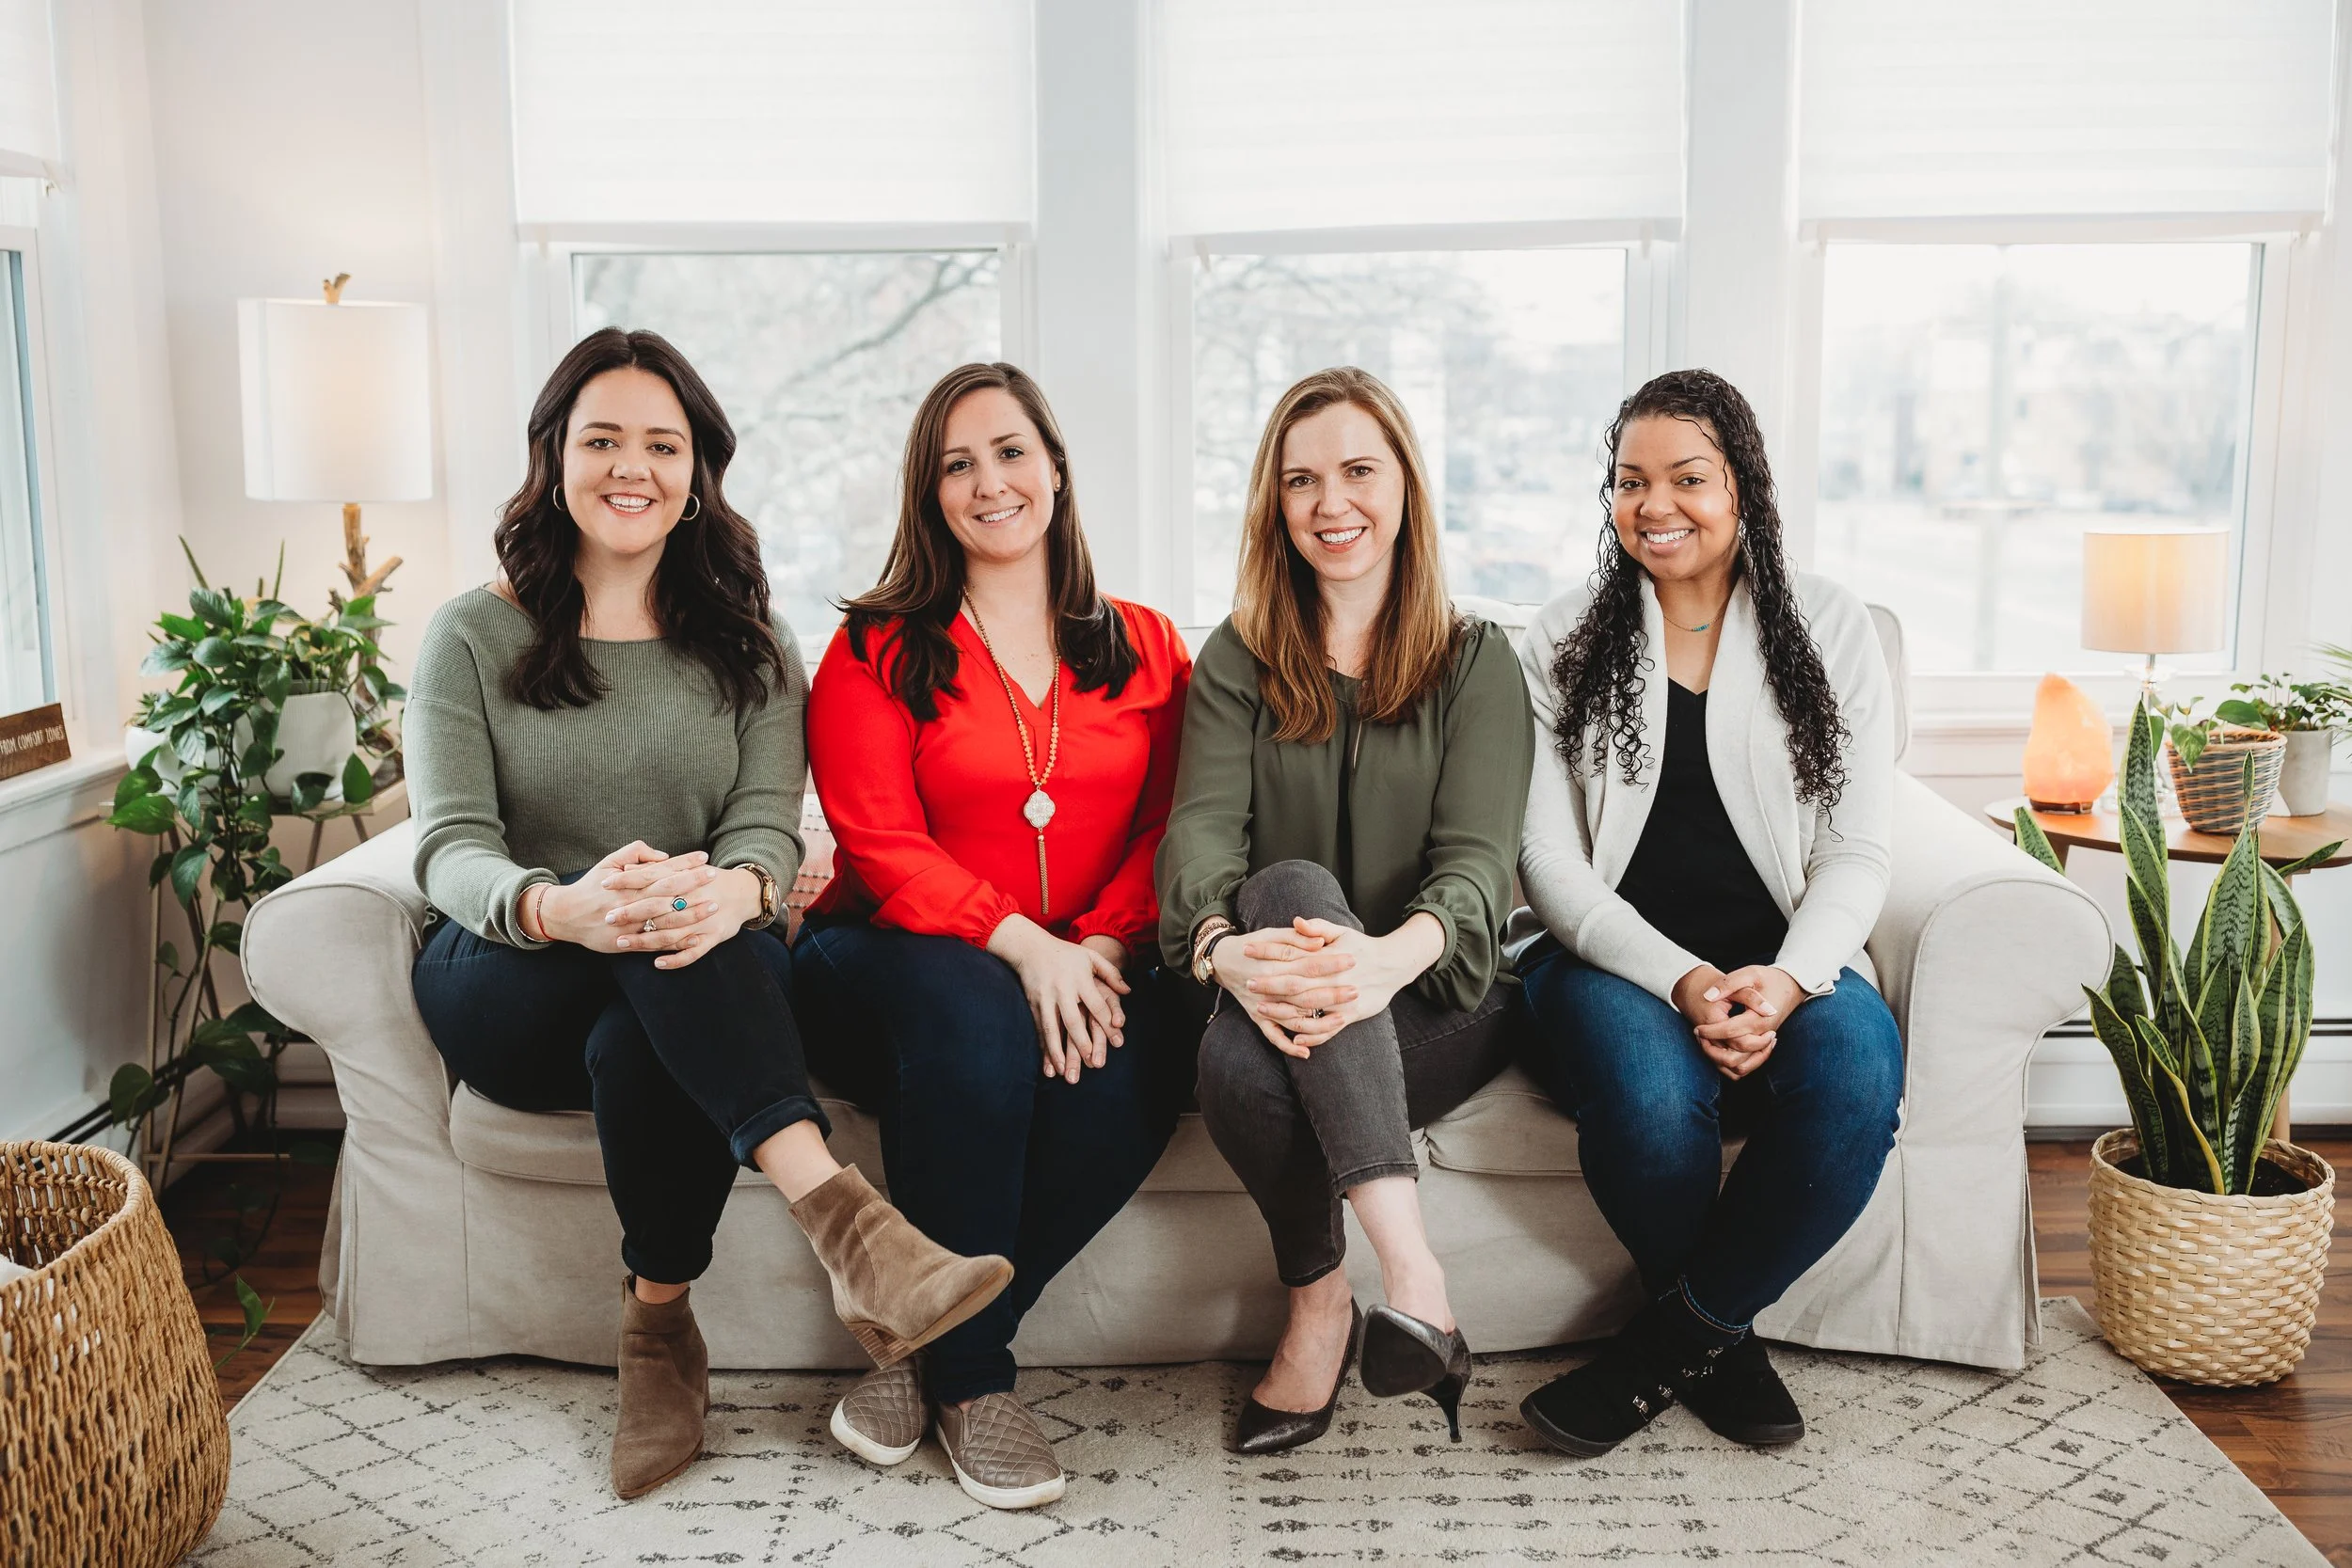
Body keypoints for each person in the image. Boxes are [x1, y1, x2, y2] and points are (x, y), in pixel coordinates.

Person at [405, 328, 1010, 1502]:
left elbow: (762, 830)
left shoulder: (750, 640)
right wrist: (558, 903)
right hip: (509, 965)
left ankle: (658, 1333)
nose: (632, 467)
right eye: (603, 439)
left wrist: (734, 887)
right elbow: (448, 846)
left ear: (697, 473)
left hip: (690, 968)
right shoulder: (470, 635)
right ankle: (853, 1233)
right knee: (660, 940)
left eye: (662, 444)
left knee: (667, 972)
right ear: (553, 458)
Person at [794, 361, 1194, 1511]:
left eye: (1011, 451)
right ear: (929, 495)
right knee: (973, 1015)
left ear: (1056, 472)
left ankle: (925, 1349)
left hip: (1090, 958)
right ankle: (977, 1381)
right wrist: (1024, 945)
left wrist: (1105, 947)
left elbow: (1173, 824)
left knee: (1147, 1058)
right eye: (956, 463)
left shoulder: (1151, 646)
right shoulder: (876, 646)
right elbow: (880, 841)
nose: (989, 481)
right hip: (881, 962)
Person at [1511, 368, 1902, 1457]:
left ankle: (1667, 1345)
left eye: (1688, 477)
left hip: (1785, 954)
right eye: (1630, 481)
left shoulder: (1828, 625)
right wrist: (1685, 980)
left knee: (1858, 1076)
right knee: (1645, 1092)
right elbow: (1548, 862)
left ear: (1743, 488)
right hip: (1606, 961)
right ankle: (1720, 1346)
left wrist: (1784, 980)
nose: (1656, 504)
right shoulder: (1556, 639)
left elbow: (1859, 846)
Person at [1157, 366, 1534, 1455]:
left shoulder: (1477, 661)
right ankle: (1382, 1289)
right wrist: (1224, 954)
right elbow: (1199, 844)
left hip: (1436, 996)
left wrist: (1382, 962)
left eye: (1358, 470)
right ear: (1274, 505)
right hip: (1264, 985)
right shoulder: (1235, 660)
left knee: (1272, 973)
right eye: (1302, 480)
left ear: (1405, 485)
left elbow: (1474, 868)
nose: (1333, 503)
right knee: (1282, 897)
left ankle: (1355, 1296)